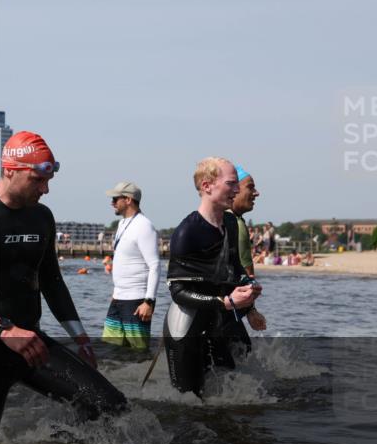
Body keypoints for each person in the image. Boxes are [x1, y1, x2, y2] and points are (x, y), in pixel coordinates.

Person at [0, 131, 126, 436]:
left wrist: (79, 337)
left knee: (110, 405)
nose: (46, 189)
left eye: (48, 180)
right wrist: (4, 330)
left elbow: (52, 281)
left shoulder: (41, 217)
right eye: (37, 180)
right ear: (10, 170)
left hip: (33, 346)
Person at [163, 158, 262, 397]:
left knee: (226, 394)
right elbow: (177, 291)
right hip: (185, 325)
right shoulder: (188, 231)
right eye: (231, 184)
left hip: (218, 320)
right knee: (188, 404)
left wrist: (249, 303)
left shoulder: (229, 222)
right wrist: (224, 302)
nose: (237, 190)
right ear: (207, 186)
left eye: (237, 184)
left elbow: (235, 269)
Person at [101, 182, 160, 350]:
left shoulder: (144, 226)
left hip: (137, 301)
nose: (112, 202)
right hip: (119, 298)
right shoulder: (121, 224)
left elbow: (155, 266)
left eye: (115, 198)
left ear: (128, 199)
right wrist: (116, 292)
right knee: (110, 350)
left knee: (138, 352)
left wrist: (149, 301)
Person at [230, 165, 267, 332]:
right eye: (250, 187)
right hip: (226, 310)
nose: (257, 193)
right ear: (233, 190)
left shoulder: (211, 220)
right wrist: (252, 311)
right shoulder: (236, 224)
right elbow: (247, 274)